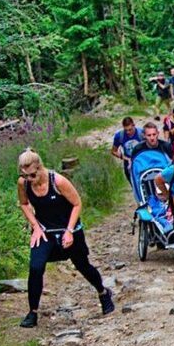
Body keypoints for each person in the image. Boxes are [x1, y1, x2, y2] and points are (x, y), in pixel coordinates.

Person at [16, 149, 114, 328]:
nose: (29, 179)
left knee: (82, 265)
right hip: (45, 231)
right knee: (36, 267)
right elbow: (23, 204)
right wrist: (35, 226)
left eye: (32, 175)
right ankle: (33, 312)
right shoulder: (23, 183)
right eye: (25, 175)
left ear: (39, 168)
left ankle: (102, 292)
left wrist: (69, 231)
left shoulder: (58, 181)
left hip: (68, 227)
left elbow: (77, 204)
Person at [110, 117, 144, 181]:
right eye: (126, 130)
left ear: (134, 125)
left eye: (130, 129)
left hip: (142, 160)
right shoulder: (119, 136)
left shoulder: (141, 133)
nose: (128, 132)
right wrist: (121, 156)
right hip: (128, 163)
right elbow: (113, 151)